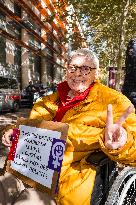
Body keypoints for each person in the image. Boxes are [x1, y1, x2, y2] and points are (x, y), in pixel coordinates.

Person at [1, 48, 136, 205]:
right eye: (73, 67)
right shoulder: (47, 101)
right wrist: (13, 130)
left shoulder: (114, 102)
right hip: (28, 168)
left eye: (85, 68)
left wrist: (122, 144)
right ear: (67, 71)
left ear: (96, 73)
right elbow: (32, 128)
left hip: (65, 183)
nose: (77, 73)